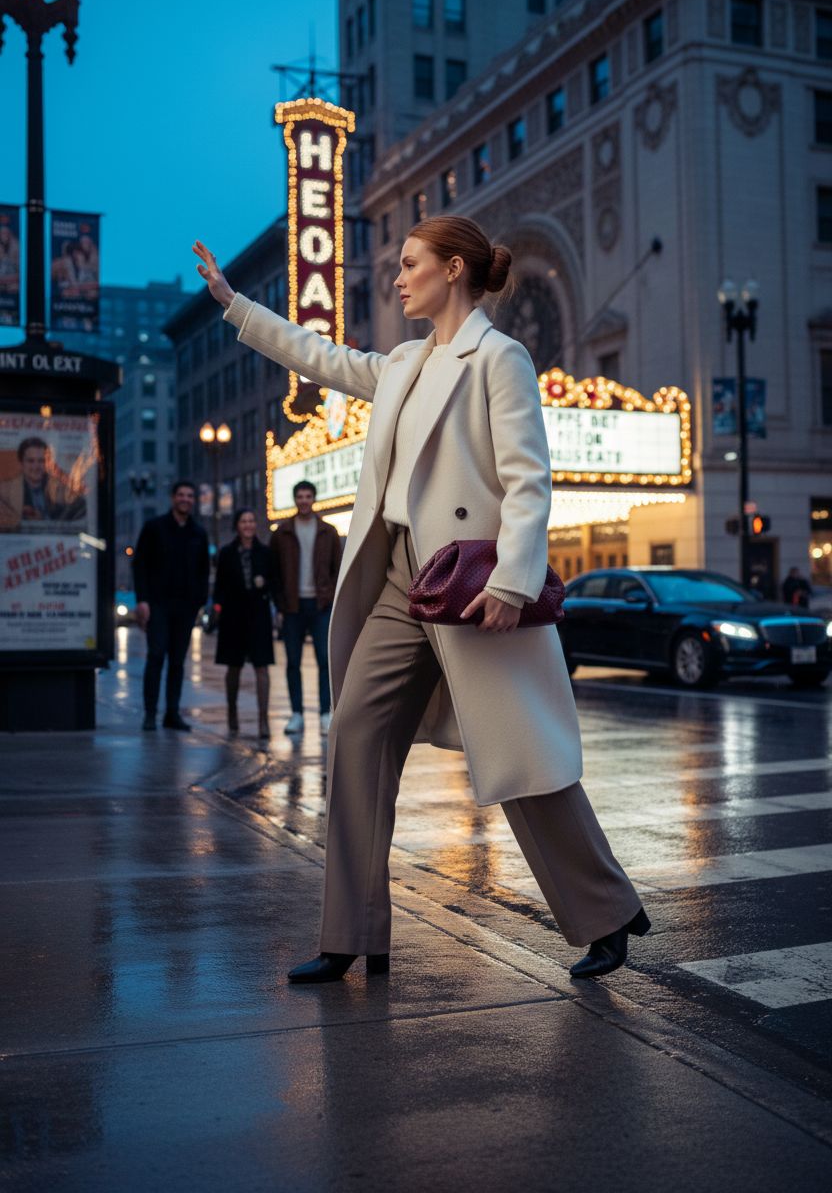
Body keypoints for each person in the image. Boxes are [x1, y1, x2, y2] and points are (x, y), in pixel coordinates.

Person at [193, 218, 649, 984]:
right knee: (355, 737)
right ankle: (351, 932)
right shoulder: (405, 363)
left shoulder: (499, 359)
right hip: (402, 580)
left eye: (411, 264)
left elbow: (529, 482)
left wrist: (512, 581)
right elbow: (321, 357)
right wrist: (235, 303)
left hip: (472, 585)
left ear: (455, 268)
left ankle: (606, 912)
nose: (399, 278)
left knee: (520, 761)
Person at [133, 480, 210, 731]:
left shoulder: (198, 533)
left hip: (186, 607)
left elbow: (203, 570)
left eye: (190, 496)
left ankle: (172, 714)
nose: (185, 499)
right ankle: (150, 714)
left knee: (177, 662)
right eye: (181, 495)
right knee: (156, 657)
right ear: (173, 498)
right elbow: (140, 565)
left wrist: (199, 600)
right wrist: (142, 600)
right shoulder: (154, 528)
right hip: (158, 605)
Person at [270, 480, 342, 735]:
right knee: (292, 662)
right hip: (292, 606)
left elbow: (338, 568)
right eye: (299, 496)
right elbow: (274, 572)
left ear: (314, 498)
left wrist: (330, 596)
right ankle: (297, 714)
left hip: (320, 605)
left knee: (324, 660)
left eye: (307, 496)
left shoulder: (328, 531)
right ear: (295, 499)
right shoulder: (282, 532)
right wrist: (280, 604)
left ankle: (325, 713)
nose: (303, 500)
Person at [213, 508, 279, 740]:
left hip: (259, 615)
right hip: (233, 616)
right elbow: (219, 586)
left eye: (252, 521)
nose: (248, 525)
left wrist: (266, 585)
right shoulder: (227, 553)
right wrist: (218, 609)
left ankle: (263, 720)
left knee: (262, 667)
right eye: (244, 521)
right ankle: (232, 712)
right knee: (234, 667)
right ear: (237, 525)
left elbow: (275, 580)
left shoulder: (265, 552)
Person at [0, 436, 86, 530]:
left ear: (48, 463)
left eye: (41, 461)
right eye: (31, 461)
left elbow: (81, 511)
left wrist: (44, 520)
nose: (36, 466)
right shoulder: (4, 491)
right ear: (21, 463)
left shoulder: (62, 488)